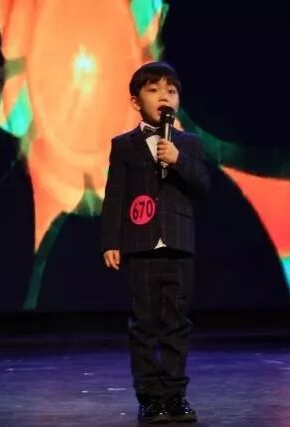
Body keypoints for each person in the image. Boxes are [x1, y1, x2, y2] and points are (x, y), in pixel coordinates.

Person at [101, 61, 210, 423]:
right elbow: (115, 195)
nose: (164, 96)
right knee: (145, 325)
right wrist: (111, 240)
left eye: (171, 90)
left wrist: (178, 161)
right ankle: (150, 398)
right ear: (136, 101)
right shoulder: (124, 146)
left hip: (179, 246)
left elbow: (202, 185)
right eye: (154, 89)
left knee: (177, 324)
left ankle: (175, 396)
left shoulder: (189, 144)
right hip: (140, 246)